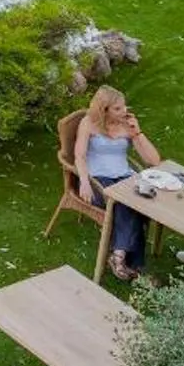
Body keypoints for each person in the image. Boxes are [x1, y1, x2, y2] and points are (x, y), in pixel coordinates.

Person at [75, 84, 161, 280]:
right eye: (118, 108)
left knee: (138, 205)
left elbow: (154, 161)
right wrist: (84, 182)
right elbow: (79, 156)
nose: (124, 111)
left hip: (124, 177)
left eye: (124, 106)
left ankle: (118, 256)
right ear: (103, 109)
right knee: (125, 204)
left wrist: (137, 132)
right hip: (97, 180)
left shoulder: (127, 125)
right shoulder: (88, 123)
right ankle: (134, 265)